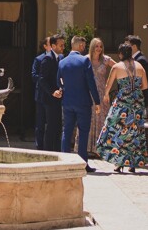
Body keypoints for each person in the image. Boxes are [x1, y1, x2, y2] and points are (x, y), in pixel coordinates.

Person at [95, 43, 148, 173]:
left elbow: (108, 85)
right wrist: (134, 91)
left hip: (122, 103)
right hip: (137, 102)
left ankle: (119, 163)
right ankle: (133, 164)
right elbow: (145, 86)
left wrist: (106, 95)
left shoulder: (117, 66)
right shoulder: (140, 66)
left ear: (120, 54)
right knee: (134, 132)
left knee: (116, 129)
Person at [55, 36, 99, 172]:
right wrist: (97, 101)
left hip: (67, 102)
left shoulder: (62, 62)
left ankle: (63, 162)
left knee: (66, 131)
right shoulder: (84, 60)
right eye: (84, 46)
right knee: (83, 132)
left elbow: (58, 81)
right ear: (80, 46)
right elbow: (91, 82)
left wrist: (63, 90)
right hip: (83, 102)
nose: (85, 48)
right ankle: (82, 164)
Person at [36, 34, 65, 152]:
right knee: (51, 127)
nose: (63, 47)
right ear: (53, 46)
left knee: (58, 127)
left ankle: (57, 152)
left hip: (59, 97)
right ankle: (48, 152)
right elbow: (42, 79)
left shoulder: (61, 58)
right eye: (61, 45)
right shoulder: (47, 59)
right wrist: (53, 92)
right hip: (49, 98)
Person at [84, 37, 113, 153]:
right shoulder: (86, 59)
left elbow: (118, 68)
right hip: (88, 93)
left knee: (102, 120)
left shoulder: (106, 59)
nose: (99, 48)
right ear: (92, 47)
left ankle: (101, 150)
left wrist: (109, 84)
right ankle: (87, 148)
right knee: (89, 119)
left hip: (101, 93)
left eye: (101, 46)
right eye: (96, 46)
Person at [31, 36, 54, 145]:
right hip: (41, 95)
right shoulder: (39, 59)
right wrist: (44, 81)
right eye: (50, 43)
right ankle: (39, 145)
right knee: (40, 122)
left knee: (52, 122)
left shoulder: (58, 58)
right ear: (45, 46)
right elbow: (34, 75)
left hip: (53, 95)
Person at [126, 34, 148, 104]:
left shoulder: (140, 60)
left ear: (134, 47)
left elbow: (139, 82)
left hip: (138, 99)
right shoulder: (135, 59)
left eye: (127, 46)